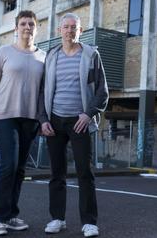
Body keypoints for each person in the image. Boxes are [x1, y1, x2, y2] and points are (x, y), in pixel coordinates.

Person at [38, 12, 108, 237]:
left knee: (84, 172)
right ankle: (57, 219)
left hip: (80, 122)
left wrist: (88, 115)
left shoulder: (91, 55)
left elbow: (101, 91)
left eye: (73, 27)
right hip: (55, 122)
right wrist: (43, 119)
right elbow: (42, 92)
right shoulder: (51, 56)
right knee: (56, 173)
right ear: (59, 31)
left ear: (81, 30)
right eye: (65, 27)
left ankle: (89, 222)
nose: (69, 31)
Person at [0, 10, 46, 236]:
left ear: (36, 28)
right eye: (23, 24)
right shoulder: (4, 52)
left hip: (30, 119)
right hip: (4, 116)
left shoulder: (43, 57)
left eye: (31, 24)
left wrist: (42, 119)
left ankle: (11, 215)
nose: (27, 27)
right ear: (16, 28)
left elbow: (43, 92)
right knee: (8, 165)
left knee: (19, 169)